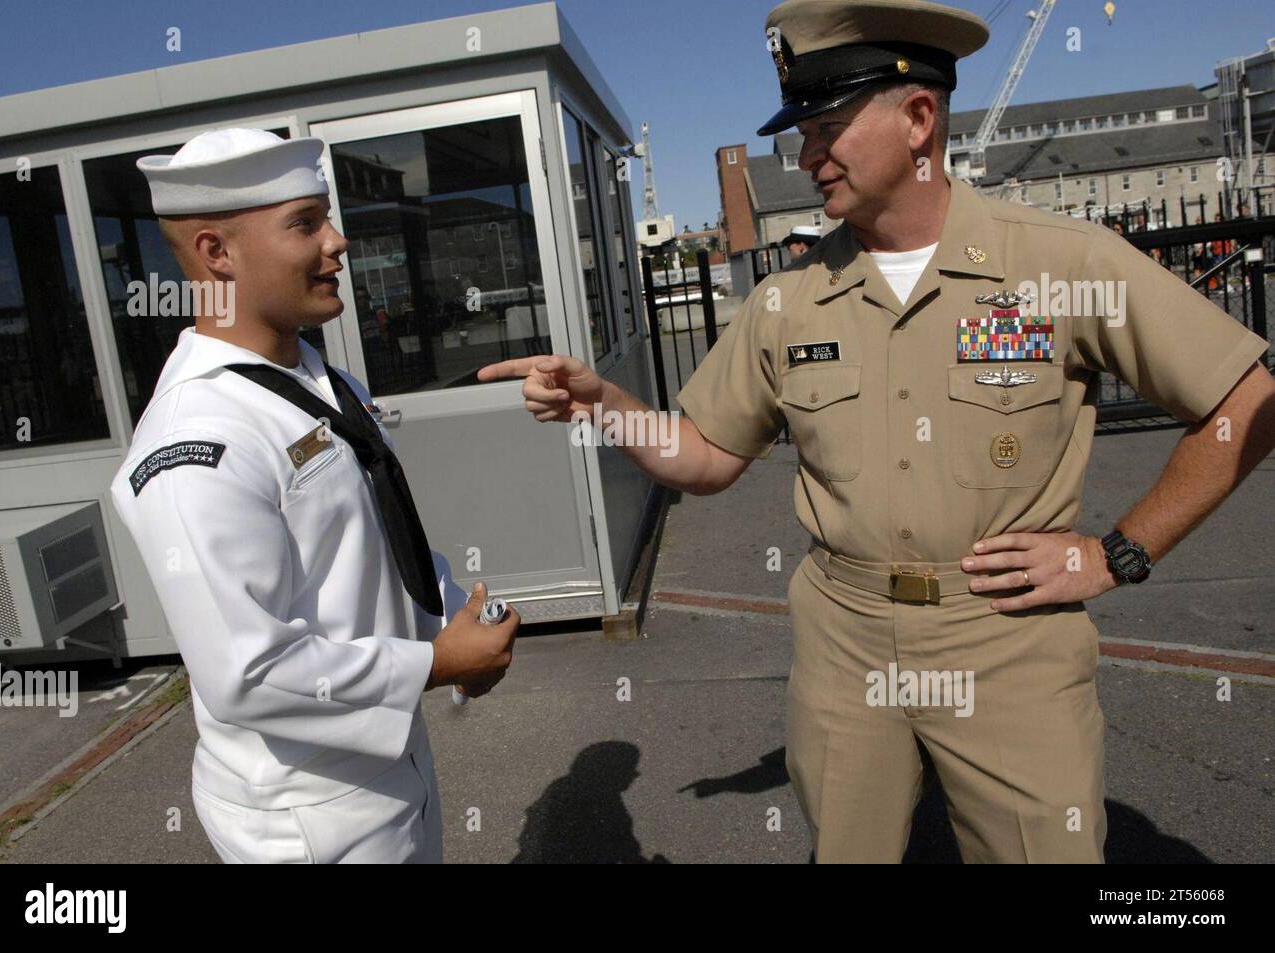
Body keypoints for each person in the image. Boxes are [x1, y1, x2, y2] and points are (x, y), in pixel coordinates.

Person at [479, 0, 1275, 862]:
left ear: (920, 119)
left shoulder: (1059, 263)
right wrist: (606, 402)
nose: (808, 156)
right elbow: (706, 457)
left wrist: (1114, 552)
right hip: (843, 636)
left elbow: (1245, 397)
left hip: (1003, 637)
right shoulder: (789, 299)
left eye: (828, 126)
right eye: (801, 133)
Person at [111, 127, 517, 863]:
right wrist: (438, 664)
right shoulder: (195, 440)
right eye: (305, 223)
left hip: (387, 766)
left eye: (327, 217)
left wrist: (454, 617)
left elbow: (371, 540)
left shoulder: (317, 380)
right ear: (216, 253)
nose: (338, 242)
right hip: (309, 818)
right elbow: (246, 670)